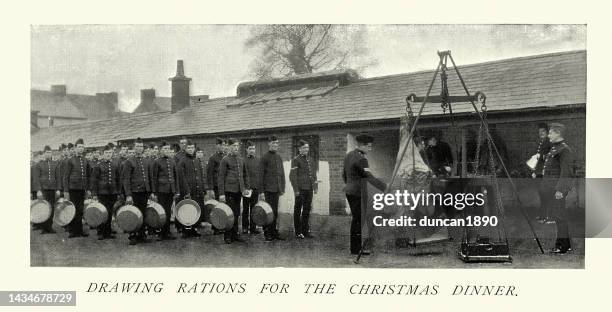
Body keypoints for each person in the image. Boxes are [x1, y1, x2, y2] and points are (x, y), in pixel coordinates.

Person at [343, 134, 387, 255]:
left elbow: (344, 175)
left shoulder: (349, 156)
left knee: (356, 219)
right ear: (362, 145)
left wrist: (350, 185)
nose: (370, 149)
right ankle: (356, 249)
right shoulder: (361, 159)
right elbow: (369, 177)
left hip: (350, 191)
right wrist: (384, 187)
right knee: (358, 220)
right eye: (369, 146)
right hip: (358, 193)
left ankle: (355, 248)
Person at [541, 123, 574, 254]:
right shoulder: (555, 148)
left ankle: (562, 246)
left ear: (558, 134)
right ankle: (565, 244)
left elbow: (566, 172)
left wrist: (560, 190)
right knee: (558, 215)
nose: (548, 135)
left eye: (550, 133)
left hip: (557, 189)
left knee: (559, 216)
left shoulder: (564, 149)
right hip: (552, 188)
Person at [122, 138, 154, 245]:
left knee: (143, 214)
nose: (139, 149)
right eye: (137, 146)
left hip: (144, 192)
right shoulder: (129, 161)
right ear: (134, 147)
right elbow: (126, 179)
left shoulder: (146, 161)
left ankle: (142, 235)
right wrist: (128, 195)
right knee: (133, 214)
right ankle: (132, 235)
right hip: (134, 192)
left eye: (141, 146)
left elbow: (150, 177)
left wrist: (151, 191)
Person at [218, 138, 250, 244]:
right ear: (229, 147)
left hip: (238, 191)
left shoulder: (241, 159)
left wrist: (246, 188)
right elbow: (221, 177)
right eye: (234, 146)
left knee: (237, 213)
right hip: (229, 191)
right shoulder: (225, 160)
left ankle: (235, 234)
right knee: (229, 214)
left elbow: (245, 175)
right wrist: (222, 194)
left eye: (237, 146)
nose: (236, 148)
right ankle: (227, 235)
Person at [90, 144, 121, 240]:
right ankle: (100, 232)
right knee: (101, 212)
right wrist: (94, 194)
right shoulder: (98, 166)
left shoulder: (114, 165)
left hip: (112, 193)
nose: (108, 154)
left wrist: (118, 192)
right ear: (103, 154)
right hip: (102, 193)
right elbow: (94, 181)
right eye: (106, 153)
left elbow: (118, 179)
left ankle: (108, 232)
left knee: (110, 212)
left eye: (110, 153)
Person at [176, 140, 206, 238]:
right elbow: (182, 178)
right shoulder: (182, 161)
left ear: (194, 149)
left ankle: (194, 229)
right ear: (185, 149)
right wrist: (186, 191)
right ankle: (186, 230)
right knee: (187, 210)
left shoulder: (197, 160)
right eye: (188, 148)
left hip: (197, 190)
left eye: (192, 148)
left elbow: (200, 175)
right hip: (188, 191)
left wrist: (203, 188)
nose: (190, 149)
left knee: (196, 209)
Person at [151, 141, 179, 240]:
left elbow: (175, 177)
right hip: (161, 190)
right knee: (161, 212)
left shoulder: (172, 161)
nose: (167, 151)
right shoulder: (157, 162)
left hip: (170, 190)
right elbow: (154, 177)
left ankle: (167, 232)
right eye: (165, 149)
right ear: (161, 150)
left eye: (168, 149)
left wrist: (176, 190)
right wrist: (154, 192)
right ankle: (161, 233)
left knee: (168, 211)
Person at [62, 138, 90, 238]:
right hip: (73, 189)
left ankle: (79, 230)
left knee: (80, 210)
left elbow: (87, 176)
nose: (81, 149)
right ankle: (72, 231)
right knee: (73, 209)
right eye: (79, 147)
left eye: (82, 147)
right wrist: (66, 191)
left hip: (82, 189)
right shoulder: (70, 161)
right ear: (75, 148)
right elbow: (65, 176)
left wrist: (88, 189)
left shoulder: (85, 160)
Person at [289, 139, 317, 239]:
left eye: (307, 147)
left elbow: (313, 174)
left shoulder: (310, 159)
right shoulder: (296, 160)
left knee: (307, 210)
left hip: (309, 189)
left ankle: (305, 231)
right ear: (300, 149)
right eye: (304, 148)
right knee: (298, 210)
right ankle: (298, 232)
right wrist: (296, 190)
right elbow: (292, 176)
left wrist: (315, 186)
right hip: (300, 189)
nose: (306, 149)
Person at [261, 136, 286, 241]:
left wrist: (282, 188)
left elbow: (282, 174)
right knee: (267, 212)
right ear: (269, 144)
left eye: (277, 143)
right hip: (267, 190)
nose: (275, 145)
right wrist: (261, 191)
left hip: (276, 189)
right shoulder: (265, 157)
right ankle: (267, 232)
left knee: (275, 212)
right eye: (273, 143)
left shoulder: (279, 157)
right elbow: (261, 176)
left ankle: (274, 231)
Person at [32, 145, 60, 234]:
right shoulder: (39, 165)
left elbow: (58, 177)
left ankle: (49, 227)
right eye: (47, 152)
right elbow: (36, 179)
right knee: (43, 208)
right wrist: (38, 190)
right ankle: (44, 228)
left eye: (50, 152)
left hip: (52, 189)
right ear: (44, 153)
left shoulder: (55, 164)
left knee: (51, 207)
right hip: (43, 190)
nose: (49, 154)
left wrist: (58, 189)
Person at [532, 123, 553, 223]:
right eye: (539, 132)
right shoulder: (541, 142)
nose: (541, 133)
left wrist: (540, 156)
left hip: (547, 172)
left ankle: (548, 217)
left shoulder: (549, 141)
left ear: (547, 132)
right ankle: (542, 215)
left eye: (543, 131)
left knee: (546, 194)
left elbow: (550, 156)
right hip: (540, 172)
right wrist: (535, 171)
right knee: (542, 194)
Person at [206, 138, 226, 235]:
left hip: (224, 186)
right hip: (216, 186)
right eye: (221, 145)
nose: (223, 147)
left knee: (223, 207)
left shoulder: (225, 157)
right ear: (217, 146)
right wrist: (210, 189)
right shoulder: (212, 158)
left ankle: (222, 224)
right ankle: (216, 227)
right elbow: (209, 174)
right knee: (216, 207)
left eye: (224, 145)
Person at [243, 141, 262, 235]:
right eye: (250, 148)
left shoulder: (258, 160)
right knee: (246, 209)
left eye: (253, 148)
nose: (252, 150)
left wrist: (259, 187)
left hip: (255, 188)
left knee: (254, 209)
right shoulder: (243, 160)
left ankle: (253, 228)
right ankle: (245, 228)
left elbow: (260, 175)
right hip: (247, 189)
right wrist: (245, 188)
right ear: (246, 149)